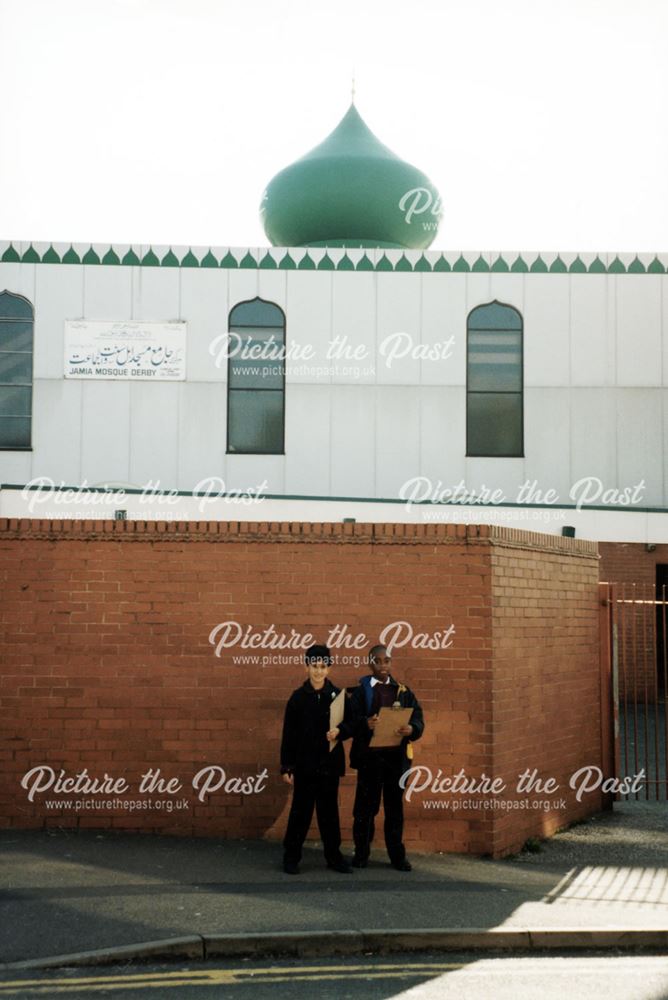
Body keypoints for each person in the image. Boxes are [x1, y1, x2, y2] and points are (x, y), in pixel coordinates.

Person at [348, 644, 424, 871]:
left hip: (395, 760)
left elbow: (418, 718)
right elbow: (350, 722)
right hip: (370, 760)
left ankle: (397, 857)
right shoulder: (361, 692)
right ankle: (361, 854)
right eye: (378, 661)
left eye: (387, 661)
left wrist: (412, 728)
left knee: (394, 810)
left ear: (391, 663)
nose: (383, 666)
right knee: (364, 810)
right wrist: (365, 723)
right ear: (370, 663)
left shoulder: (403, 691)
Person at [280, 643, 353, 875]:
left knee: (329, 813)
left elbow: (352, 724)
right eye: (314, 666)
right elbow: (288, 734)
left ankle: (334, 857)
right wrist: (287, 766)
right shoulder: (298, 698)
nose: (318, 671)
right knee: (300, 813)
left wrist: (340, 731)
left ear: (329, 669)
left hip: (329, 766)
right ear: (306, 667)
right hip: (304, 765)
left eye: (323, 666)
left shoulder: (338, 696)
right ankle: (291, 857)